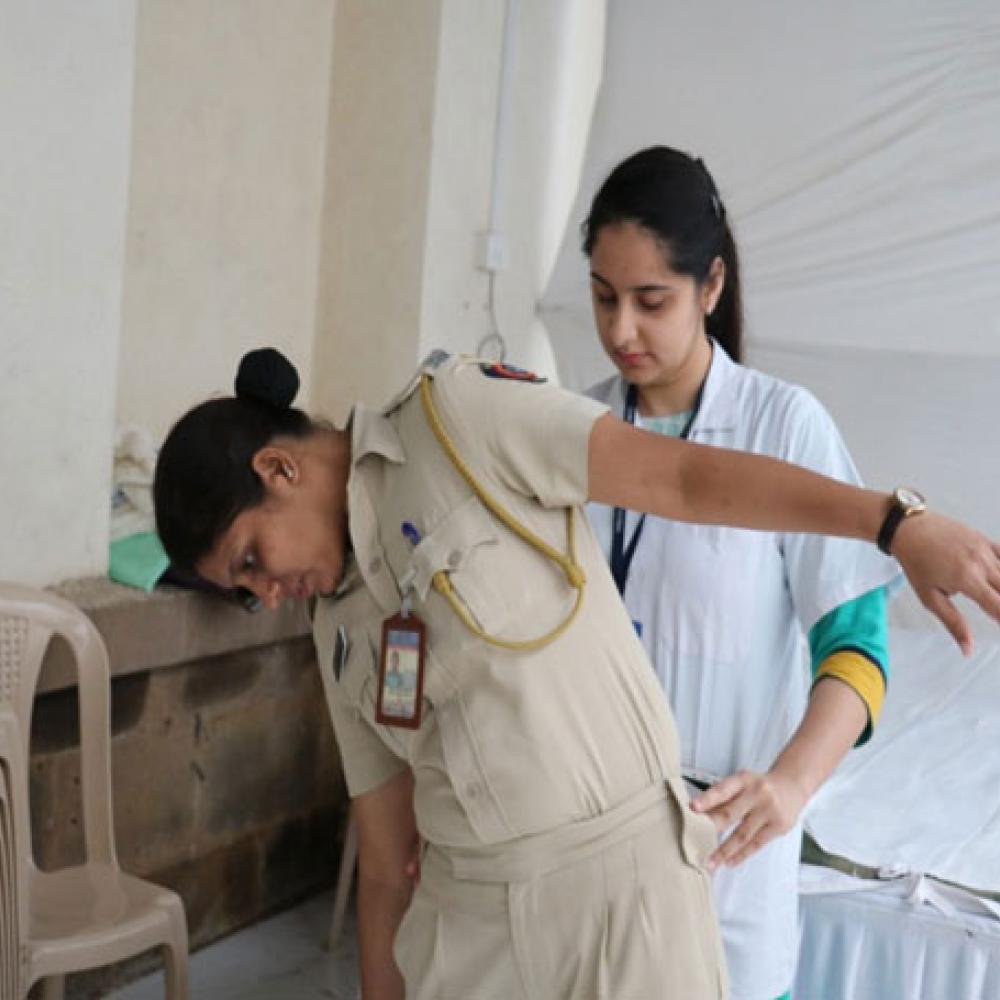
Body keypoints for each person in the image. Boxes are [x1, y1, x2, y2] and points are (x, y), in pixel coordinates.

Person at [154, 346, 1000, 1000]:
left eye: (253, 560)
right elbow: (384, 862)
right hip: (469, 933)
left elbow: (681, 478)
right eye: (244, 591)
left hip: (623, 902)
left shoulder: (456, 419)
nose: (267, 594)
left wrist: (890, 523)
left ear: (279, 468)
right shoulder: (335, 622)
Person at [580, 145, 903, 1000]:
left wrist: (790, 784)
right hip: (584, 850)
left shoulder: (783, 428)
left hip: (725, 861)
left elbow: (858, 652)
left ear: (711, 287)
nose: (621, 331)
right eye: (604, 297)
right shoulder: (573, 430)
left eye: (652, 302)